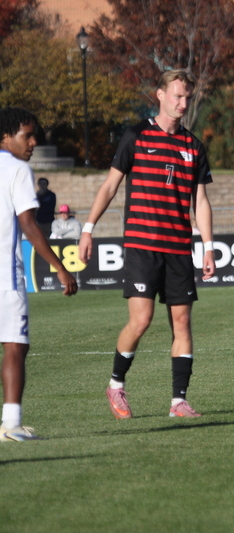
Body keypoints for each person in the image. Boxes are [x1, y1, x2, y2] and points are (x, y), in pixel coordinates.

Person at [78, 70, 216, 419]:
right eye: (177, 96)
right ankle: (115, 385)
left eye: (187, 97)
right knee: (141, 320)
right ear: (160, 95)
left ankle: (178, 402)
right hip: (142, 245)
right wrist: (88, 228)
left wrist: (209, 245)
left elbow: (200, 201)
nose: (183, 103)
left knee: (182, 322)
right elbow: (109, 186)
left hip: (179, 248)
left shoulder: (193, 147)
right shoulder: (136, 135)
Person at [0, 107, 77, 441]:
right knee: (16, 346)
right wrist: (60, 268)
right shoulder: (17, 169)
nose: (33, 142)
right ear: (6, 136)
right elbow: (29, 224)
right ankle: (11, 425)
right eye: (26, 135)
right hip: (5, 276)